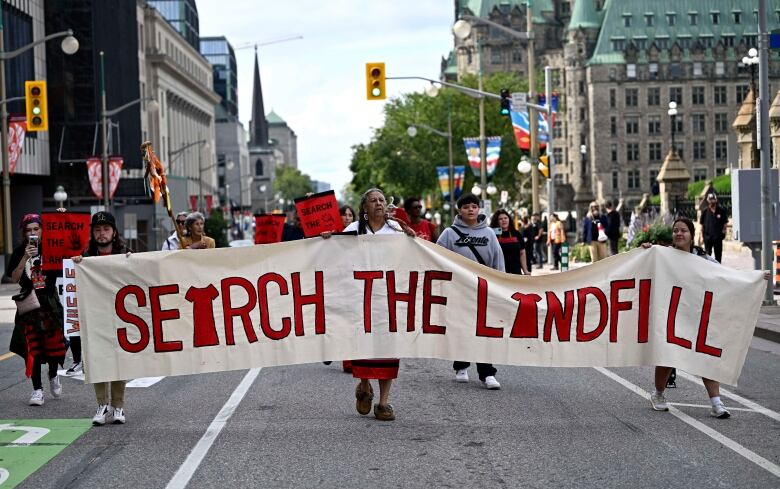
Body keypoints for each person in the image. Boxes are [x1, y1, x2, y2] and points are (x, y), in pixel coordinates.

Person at [642, 217, 769, 418]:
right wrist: (647, 249)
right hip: (672, 315)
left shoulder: (703, 258)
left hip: (697, 315)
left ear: (692, 235)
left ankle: (716, 402)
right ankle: (658, 394)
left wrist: (754, 278)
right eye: (675, 230)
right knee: (667, 355)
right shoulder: (663, 254)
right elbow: (645, 265)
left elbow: (726, 276)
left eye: (683, 230)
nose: (679, 234)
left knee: (705, 355)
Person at [322, 188, 415, 421]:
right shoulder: (353, 230)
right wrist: (327, 239)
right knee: (362, 346)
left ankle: (384, 403)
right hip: (360, 298)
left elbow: (412, 257)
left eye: (382, 200)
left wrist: (413, 240)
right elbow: (336, 254)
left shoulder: (396, 231)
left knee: (388, 350)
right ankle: (364, 386)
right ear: (364, 208)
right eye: (373, 201)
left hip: (387, 299)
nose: (378, 204)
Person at [437, 194, 505, 390]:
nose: (470, 210)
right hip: (458, 290)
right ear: (459, 210)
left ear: (479, 209)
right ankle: (461, 367)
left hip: (484, 290)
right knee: (462, 329)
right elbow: (437, 256)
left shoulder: (489, 234)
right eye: (466, 206)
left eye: (474, 206)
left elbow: (497, 260)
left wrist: (501, 284)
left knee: (484, 331)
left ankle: (487, 373)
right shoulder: (449, 234)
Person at [72, 211, 132, 425]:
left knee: (119, 361)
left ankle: (118, 406)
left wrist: (133, 263)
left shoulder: (126, 253)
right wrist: (77, 265)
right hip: (96, 317)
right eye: (97, 229)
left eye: (106, 229)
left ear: (114, 232)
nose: (102, 233)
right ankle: (102, 405)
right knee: (97, 360)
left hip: (121, 317)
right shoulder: (85, 257)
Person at [7, 214, 67, 406]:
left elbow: (67, 264)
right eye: (28, 230)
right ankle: (37, 390)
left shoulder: (51, 249)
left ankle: (52, 374)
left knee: (54, 345)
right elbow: (14, 278)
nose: (32, 233)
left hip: (49, 302)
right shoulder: (19, 252)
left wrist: (63, 219)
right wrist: (25, 257)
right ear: (24, 233)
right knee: (32, 347)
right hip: (29, 303)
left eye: (36, 229)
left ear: (42, 230)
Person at [490, 209, 528, 275]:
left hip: (516, 272)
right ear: (497, 221)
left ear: (509, 219)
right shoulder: (492, 234)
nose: (504, 220)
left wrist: (525, 270)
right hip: (498, 273)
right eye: (500, 219)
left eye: (505, 218)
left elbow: (522, 253)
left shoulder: (516, 233)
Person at [699, 193, 728, 263]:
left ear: (716, 200)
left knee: (718, 255)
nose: (712, 201)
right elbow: (702, 225)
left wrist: (724, 233)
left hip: (718, 237)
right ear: (708, 201)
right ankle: (708, 268)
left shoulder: (721, 211)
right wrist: (701, 237)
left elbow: (725, 224)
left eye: (713, 199)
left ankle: (718, 268)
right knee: (707, 254)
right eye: (710, 199)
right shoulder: (705, 212)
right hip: (708, 237)